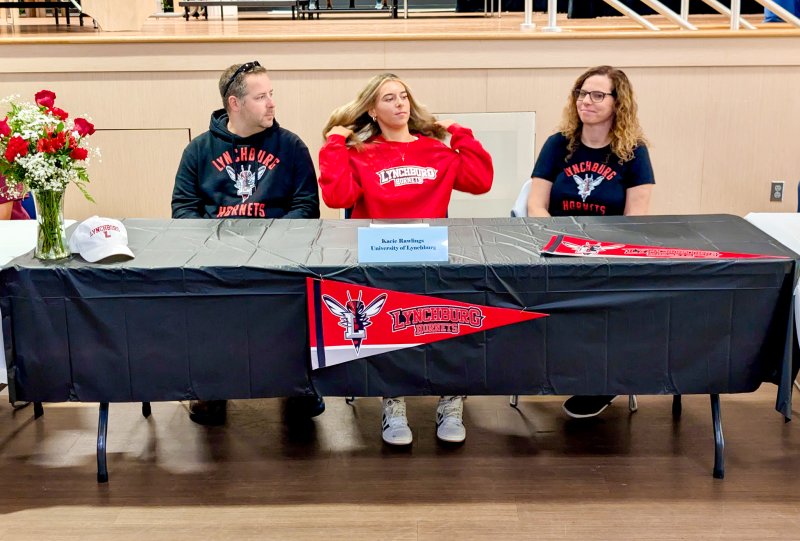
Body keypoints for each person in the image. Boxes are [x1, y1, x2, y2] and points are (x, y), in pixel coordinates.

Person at [318, 73, 493, 445]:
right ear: (372, 109)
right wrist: (334, 144)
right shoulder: (360, 154)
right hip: (382, 260)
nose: (400, 104)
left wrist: (459, 132)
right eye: (388, 98)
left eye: (403, 96)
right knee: (386, 326)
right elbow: (337, 197)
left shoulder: (436, 151)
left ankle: (451, 401)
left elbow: (480, 180)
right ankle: (393, 403)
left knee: (450, 320)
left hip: (433, 257)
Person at [172, 60, 324, 426]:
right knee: (205, 301)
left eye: (271, 94)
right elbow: (184, 209)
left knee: (295, 298)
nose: (272, 103)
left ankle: (296, 384)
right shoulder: (199, 150)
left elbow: (306, 206)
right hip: (218, 256)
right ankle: (212, 386)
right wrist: (220, 242)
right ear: (235, 103)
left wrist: (269, 240)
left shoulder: (291, 146)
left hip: (278, 255)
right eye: (261, 97)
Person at [527, 65, 655, 419]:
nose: (586, 101)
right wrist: (561, 244)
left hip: (608, 255)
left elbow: (635, 218)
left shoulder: (633, 152)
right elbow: (536, 206)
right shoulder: (558, 144)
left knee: (611, 303)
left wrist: (600, 252)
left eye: (598, 95)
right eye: (582, 93)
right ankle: (560, 369)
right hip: (558, 250)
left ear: (618, 103)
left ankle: (604, 380)